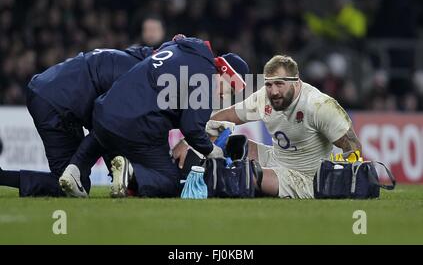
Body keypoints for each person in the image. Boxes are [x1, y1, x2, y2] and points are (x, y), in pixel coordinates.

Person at [59, 36, 249, 198]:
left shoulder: (181, 48)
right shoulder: (206, 78)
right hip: (138, 125)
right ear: (225, 73)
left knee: (103, 133)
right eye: (230, 88)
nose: (225, 95)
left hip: (105, 107)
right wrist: (211, 150)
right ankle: (131, 172)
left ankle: (75, 168)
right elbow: (191, 128)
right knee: (170, 179)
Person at [178, 55, 362, 199]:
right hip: (276, 158)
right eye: (269, 84)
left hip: (304, 178)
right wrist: (189, 141)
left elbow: (353, 146)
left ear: (296, 82)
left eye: (280, 84)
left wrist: (342, 177)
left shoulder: (319, 106)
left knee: (244, 176)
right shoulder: (264, 98)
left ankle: (198, 185)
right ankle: (186, 176)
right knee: (227, 142)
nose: (273, 91)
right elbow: (226, 116)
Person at [0, 45, 153, 197]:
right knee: (69, 185)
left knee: (75, 180)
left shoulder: (130, 58)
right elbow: (107, 128)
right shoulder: (139, 79)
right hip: (57, 102)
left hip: (49, 92)